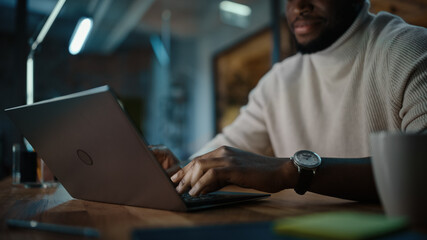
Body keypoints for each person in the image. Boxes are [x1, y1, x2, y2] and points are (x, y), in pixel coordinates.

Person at [151, 0, 427, 202]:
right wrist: (182, 173)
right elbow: (227, 151)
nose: (298, 6)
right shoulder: (278, 80)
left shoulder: (409, 49)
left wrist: (290, 172)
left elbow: (420, 172)